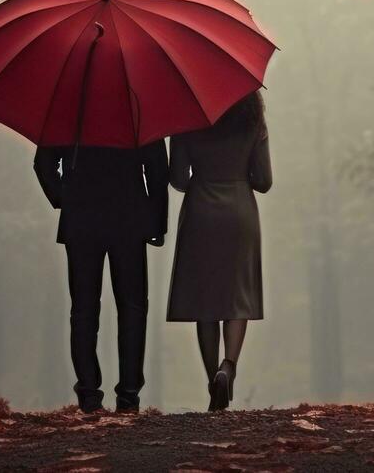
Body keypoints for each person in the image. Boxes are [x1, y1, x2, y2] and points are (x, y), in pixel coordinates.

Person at [33, 140, 168, 413]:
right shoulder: (138, 104)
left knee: (83, 309)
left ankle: (88, 393)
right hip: (129, 217)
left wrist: (64, 197)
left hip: (81, 218)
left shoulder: (67, 107)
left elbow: (43, 164)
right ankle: (129, 395)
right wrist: (157, 222)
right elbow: (157, 170)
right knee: (133, 308)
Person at [166, 89, 273, 411]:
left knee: (205, 300)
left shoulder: (187, 120)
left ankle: (212, 375)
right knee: (236, 296)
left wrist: (200, 179)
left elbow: (177, 178)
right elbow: (265, 180)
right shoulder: (254, 122)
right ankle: (229, 367)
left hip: (201, 211)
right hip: (240, 212)